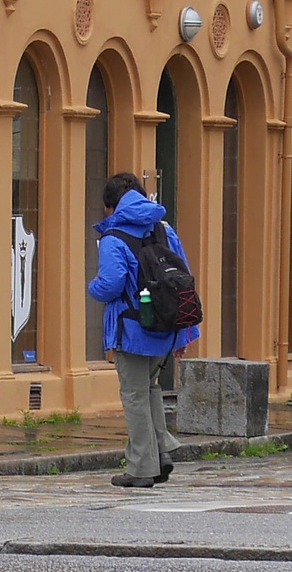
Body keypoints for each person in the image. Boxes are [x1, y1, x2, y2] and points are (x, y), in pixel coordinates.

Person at [86, 172, 198, 490]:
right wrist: (186, 331)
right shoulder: (164, 229)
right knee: (149, 390)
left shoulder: (114, 237)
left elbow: (110, 284)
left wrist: (92, 288)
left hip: (133, 328)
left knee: (134, 395)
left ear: (110, 207)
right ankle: (160, 455)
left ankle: (140, 468)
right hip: (165, 325)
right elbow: (184, 279)